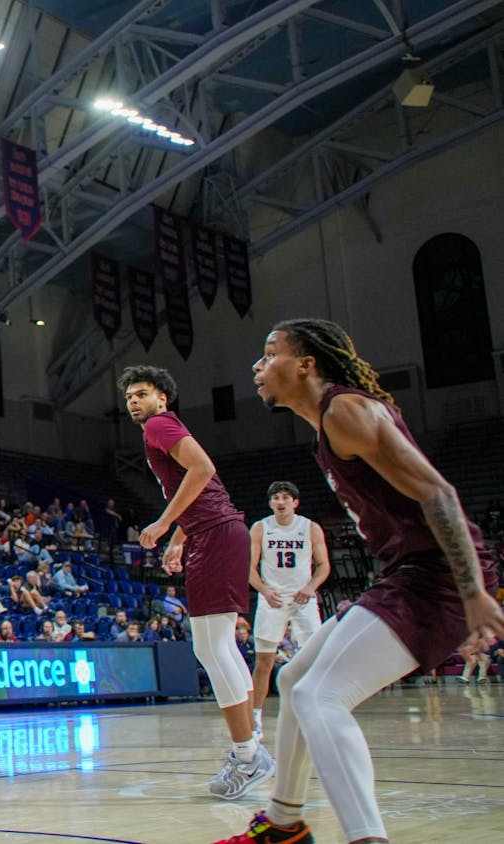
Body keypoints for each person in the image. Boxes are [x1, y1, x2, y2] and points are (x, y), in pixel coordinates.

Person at [210, 319, 504, 844]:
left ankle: (366, 838)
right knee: (294, 678)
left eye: (268, 353)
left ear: (305, 364)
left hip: (434, 577)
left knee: (320, 696)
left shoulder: (345, 410)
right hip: (408, 573)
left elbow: (438, 494)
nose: (257, 366)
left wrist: (473, 593)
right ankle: (283, 826)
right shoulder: (328, 423)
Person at [120, 364, 272, 800]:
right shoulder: (166, 427)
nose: (134, 401)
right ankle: (251, 747)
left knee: (210, 646)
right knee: (220, 645)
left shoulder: (159, 425)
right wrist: (179, 540)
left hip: (216, 535)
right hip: (216, 532)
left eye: (142, 393)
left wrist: (166, 525)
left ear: (161, 399)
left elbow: (202, 470)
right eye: (130, 396)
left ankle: (247, 757)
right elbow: (201, 487)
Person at [247, 481, 330, 738]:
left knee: (314, 658)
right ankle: (255, 720)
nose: (280, 502)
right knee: (264, 660)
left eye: (285, 497)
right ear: (271, 503)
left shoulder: (310, 528)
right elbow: (248, 569)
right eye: (275, 497)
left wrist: (310, 586)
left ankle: (314, 713)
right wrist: (264, 590)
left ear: (295, 502)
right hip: (273, 598)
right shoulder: (261, 528)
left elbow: (324, 565)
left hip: (302, 597)